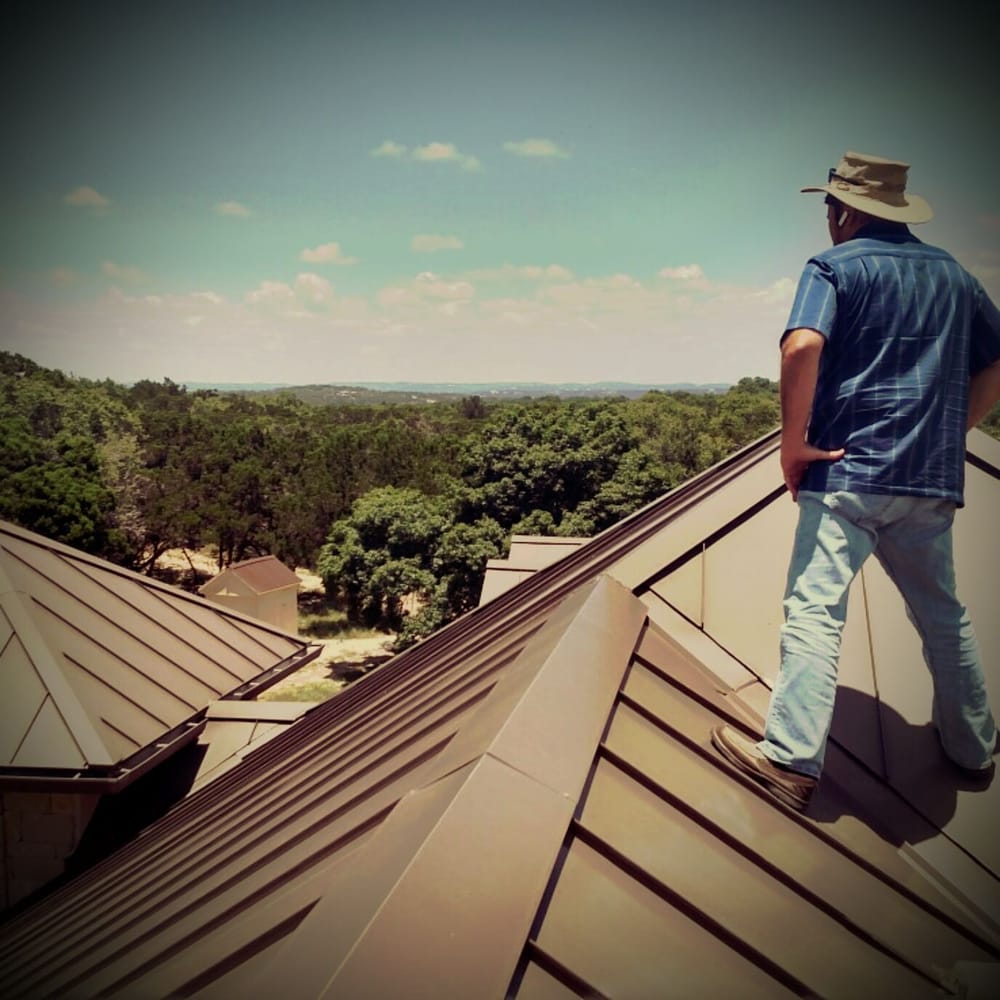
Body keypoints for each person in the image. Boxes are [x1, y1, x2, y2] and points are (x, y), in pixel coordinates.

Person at [712, 150, 1000, 812]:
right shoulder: (954, 275)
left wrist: (793, 445)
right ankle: (972, 747)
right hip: (928, 482)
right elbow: (997, 360)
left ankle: (789, 759)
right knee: (942, 615)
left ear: (844, 211)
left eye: (828, 209)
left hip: (845, 471)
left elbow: (802, 346)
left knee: (815, 610)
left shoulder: (834, 267)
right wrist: (950, 431)